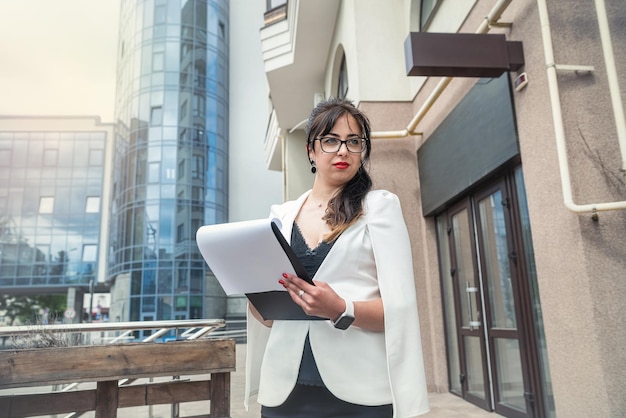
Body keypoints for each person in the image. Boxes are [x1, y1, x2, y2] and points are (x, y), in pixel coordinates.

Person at [245, 97, 429, 417]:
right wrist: (253, 295)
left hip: (359, 394)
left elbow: (400, 310)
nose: (343, 150)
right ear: (311, 151)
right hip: (284, 393)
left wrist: (341, 309)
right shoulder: (281, 216)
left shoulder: (380, 208)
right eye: (330, 140)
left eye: (353, 141)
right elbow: (271, 317)